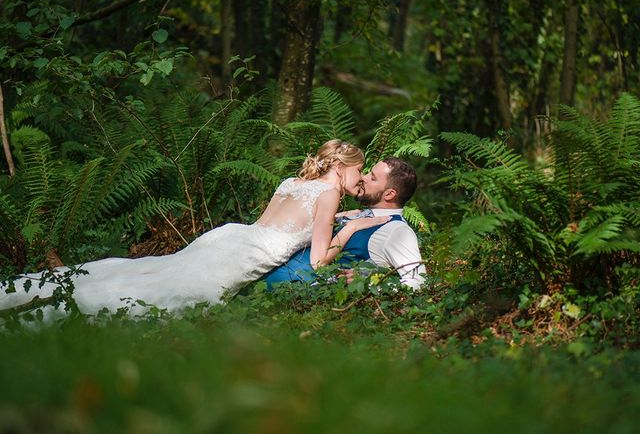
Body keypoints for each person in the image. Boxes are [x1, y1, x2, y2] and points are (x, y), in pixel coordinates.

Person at [0, 140, 390, 316]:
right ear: (340, 166)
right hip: (242, 256)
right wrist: (348, 231)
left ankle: (27, 293)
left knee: (152, 272)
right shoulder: (330, 196)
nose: (359, 177)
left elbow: (285, 222)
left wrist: (331, 222)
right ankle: (49, 313)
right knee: (163, 295)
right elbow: (320, 260)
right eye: (358, 169)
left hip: (230, 236)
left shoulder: (294, 182)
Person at [263, 157, 426, 289]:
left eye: (373, 178)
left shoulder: (396, 231)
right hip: (267, 269)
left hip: (288, 291)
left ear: (389, 194)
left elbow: (418, 280)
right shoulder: (358, 214)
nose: (363, 177)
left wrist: (376, 280)